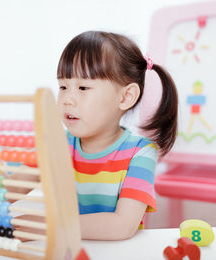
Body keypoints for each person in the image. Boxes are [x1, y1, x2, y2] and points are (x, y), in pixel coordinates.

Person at [57, 31, 178, 240]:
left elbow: (122, 225)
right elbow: (20, 178)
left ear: (125, 97)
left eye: (83, 87)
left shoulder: (140, 153)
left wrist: (52, 227)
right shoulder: (59, 144)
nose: (67, 99)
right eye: (63, 86)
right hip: (72, 251)